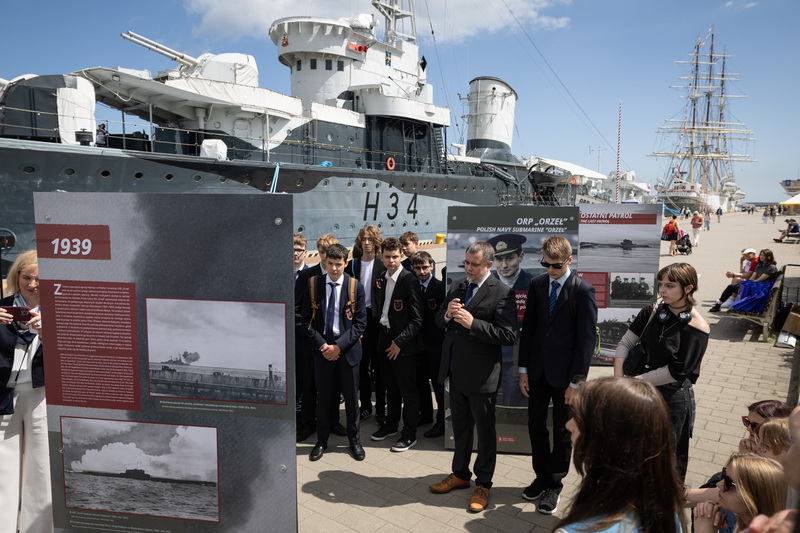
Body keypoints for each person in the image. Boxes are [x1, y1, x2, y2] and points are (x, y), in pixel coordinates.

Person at [430, 241, 517, 512]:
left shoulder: (502, 292)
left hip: (482, 377)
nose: (468, 268)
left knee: (485, 433)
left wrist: (473, 324)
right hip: (455, 373)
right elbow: (437, 320)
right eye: (466, 263)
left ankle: (484, 484)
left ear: (489, 265)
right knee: (461, 428)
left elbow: (508, 335)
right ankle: (459, 475)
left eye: (474, 264)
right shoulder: (457, 286)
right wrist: (446, 314)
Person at [517, 235, 597, 514]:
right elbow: (529, 329)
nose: (550, 269)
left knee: (563, 431)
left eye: (556, 265)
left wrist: (577, 382)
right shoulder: (537, 284)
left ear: (569, 260)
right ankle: (541, 477)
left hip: (565, 378)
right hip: (537, 372)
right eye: (545, 264)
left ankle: (555, 485)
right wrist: (523, 369)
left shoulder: (582, 291)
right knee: (535, 425)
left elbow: (586, 341)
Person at [614, 262, 710, 480]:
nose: (662, 290)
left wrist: (633, 382)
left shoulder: (698, 327)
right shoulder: (652, 311)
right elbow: (625, 344)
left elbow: (676, 372)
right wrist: (618, 380)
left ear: (688, 288)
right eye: (660, 285)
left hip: (671, 398)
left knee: (667, 463)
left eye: (669, 285)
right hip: (639, 390)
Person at [553, 377, 687, 533]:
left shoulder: (577, 530)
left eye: (579, 417)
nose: (568, 425)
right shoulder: (668, 516)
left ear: (607, 438)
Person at [301, 244, 368, 462]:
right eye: (330, 263)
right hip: (323, 352)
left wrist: (339, 347)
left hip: (347, 351)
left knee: (351, 399)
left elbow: (360, 323)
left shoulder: (354, 286)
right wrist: (323, 346)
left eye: (339, 264)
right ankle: (321, 441)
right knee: (324, 398)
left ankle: (354, 441)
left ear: (346, 263)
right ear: (325, 261)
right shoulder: (313, 285)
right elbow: (306, 321)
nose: (334, 269)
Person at [0, 250, 51, 533]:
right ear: (16, 276)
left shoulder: (60, 309)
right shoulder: (1, 307)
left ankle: (38, 529)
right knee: (2, 472)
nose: (32, 284)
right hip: (4, 395)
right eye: (26, 277)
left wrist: (47, 332)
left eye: (39, 279)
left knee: (41, 468)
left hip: (41, 395)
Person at [370, 237, 424, 452]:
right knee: (389, 387)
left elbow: (418, 319)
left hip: (403, 343)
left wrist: (399, 342)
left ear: (402, 256)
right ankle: (391, 425)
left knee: (408, 391)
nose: (391, 261)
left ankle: (409, 434)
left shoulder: (409, 280)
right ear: (381, 257)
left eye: (395, 257)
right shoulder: (381, 277)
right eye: (387, 257)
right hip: (384, 337)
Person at [295, 234, 346, 442]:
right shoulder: (309, 276)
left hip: (335, 343)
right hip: (310, 342)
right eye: (324, 254)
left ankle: (332, 420)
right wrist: (313, 337)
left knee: (333, 384)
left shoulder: (344, 275)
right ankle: (307, 423)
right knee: (308, 385)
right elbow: (298, 311)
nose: (327, 258)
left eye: (330, 253)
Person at [344, 225, 386, 423]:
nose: (367, 243)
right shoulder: (353, 265)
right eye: (364, 239)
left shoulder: (383, 265)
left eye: (370, 239)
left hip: (378, 320)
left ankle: (381, 408)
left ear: (376, 242)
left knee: (380, 364)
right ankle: (366, 406)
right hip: (359, 319)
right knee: (362, 364)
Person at [486, 233, 532, 407]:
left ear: (521, 257)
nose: (503, 265)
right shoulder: (486, 284)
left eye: (509, 258)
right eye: (499, 259)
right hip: (491, 353)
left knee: (512, 400)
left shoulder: (533, 285)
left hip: (517, 356)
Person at [694, 453, 787, 533]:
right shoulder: (743, 523)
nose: (719, 484)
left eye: (728, 482)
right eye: (723, 475)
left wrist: (703, 530)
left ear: (752, 498)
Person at [409, 251, 446, 438]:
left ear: (432, 265)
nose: (422, 271)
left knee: (438, 386)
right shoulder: (412, 286)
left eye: (425, 267)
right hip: (418, 344)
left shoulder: (440, 288)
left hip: (436, 345)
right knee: (420, 383)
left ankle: (442, 422)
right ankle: (425, 415)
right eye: (418, 268)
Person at [710, 250, 778, 312]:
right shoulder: (759, 265)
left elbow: (759, 280)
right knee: (732, 286)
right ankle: (719, 304)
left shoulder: (771, 268)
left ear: (769, 257)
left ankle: (719, 305)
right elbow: (752, 278)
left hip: (761, 289)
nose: (761, 257)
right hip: (756, 286)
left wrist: (746, 284)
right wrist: (746, 283)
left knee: (733, 287)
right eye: (761, 255)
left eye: (764, 255)